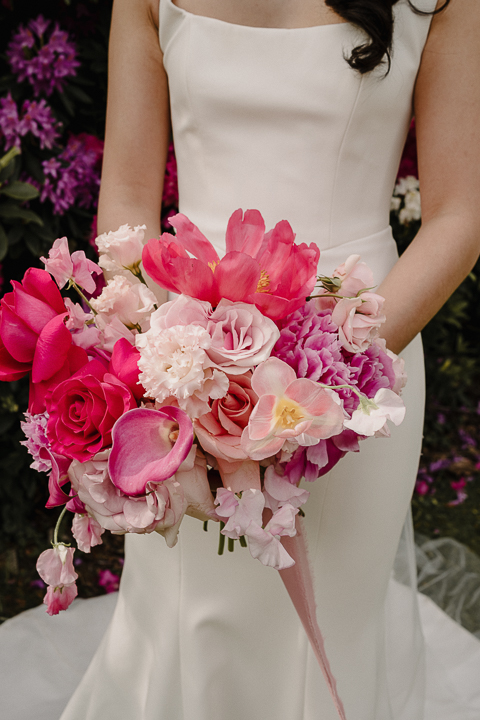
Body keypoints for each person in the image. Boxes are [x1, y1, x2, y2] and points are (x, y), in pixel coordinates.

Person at [4, 1, 480, 719]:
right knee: (190, 618)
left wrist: (336, 376)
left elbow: (460, 215)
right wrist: (163, 362)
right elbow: (128, 197)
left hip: (363, 355)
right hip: (181, 372)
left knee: (333, 637)